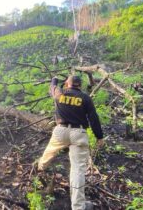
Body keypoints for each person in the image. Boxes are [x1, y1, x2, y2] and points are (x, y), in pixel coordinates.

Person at [37, 75, 104, 210]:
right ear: (80, 85)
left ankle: (40, 169)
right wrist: (99, 136)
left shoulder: (60, 94)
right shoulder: (85, 98)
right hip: (78, 134)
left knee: (48, 154)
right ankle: (78, 207)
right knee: (77, 170)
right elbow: (93, 118)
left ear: (67, 84)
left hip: (60, 131)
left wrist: (55, 80)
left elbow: (52, 88)